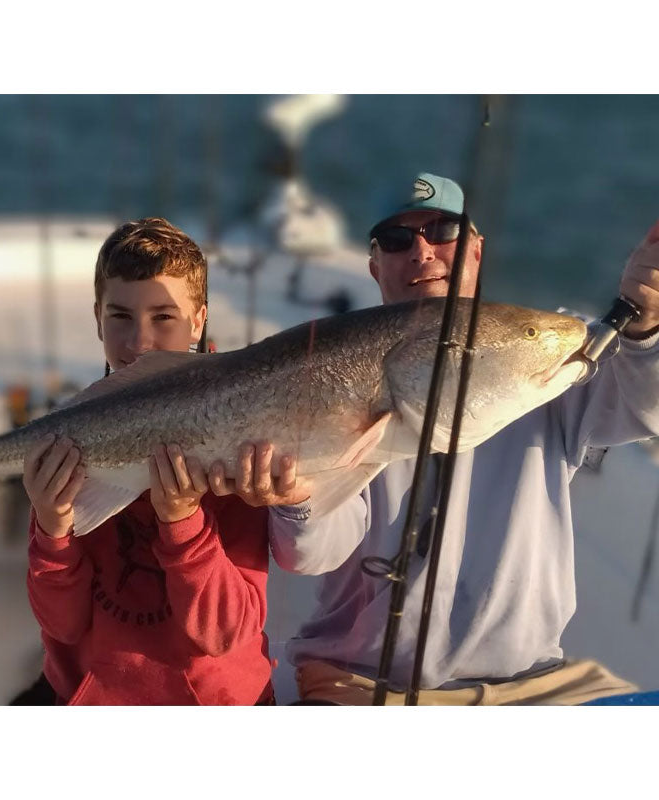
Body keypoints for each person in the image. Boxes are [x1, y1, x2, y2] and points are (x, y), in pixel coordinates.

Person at [261, 172, 659, 705]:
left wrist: (644, 328)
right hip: (361, 682)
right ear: (376, 265)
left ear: (476, 251)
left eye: (443, 229)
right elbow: (314, 553)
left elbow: (643, 404)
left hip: (534, 685)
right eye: (399, 240)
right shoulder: (327, 376)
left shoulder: (548, 349)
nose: (422, 250)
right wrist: (296, 498)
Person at [23, 217, 274, 705]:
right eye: (120, 316)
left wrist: (182, 523)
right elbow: (63, 625)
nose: (139, 341)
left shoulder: (237, 436)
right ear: (97, 317)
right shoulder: (69, 436)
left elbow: (226, 633)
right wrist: (52, 530)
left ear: (199, 320)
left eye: (164, 317)